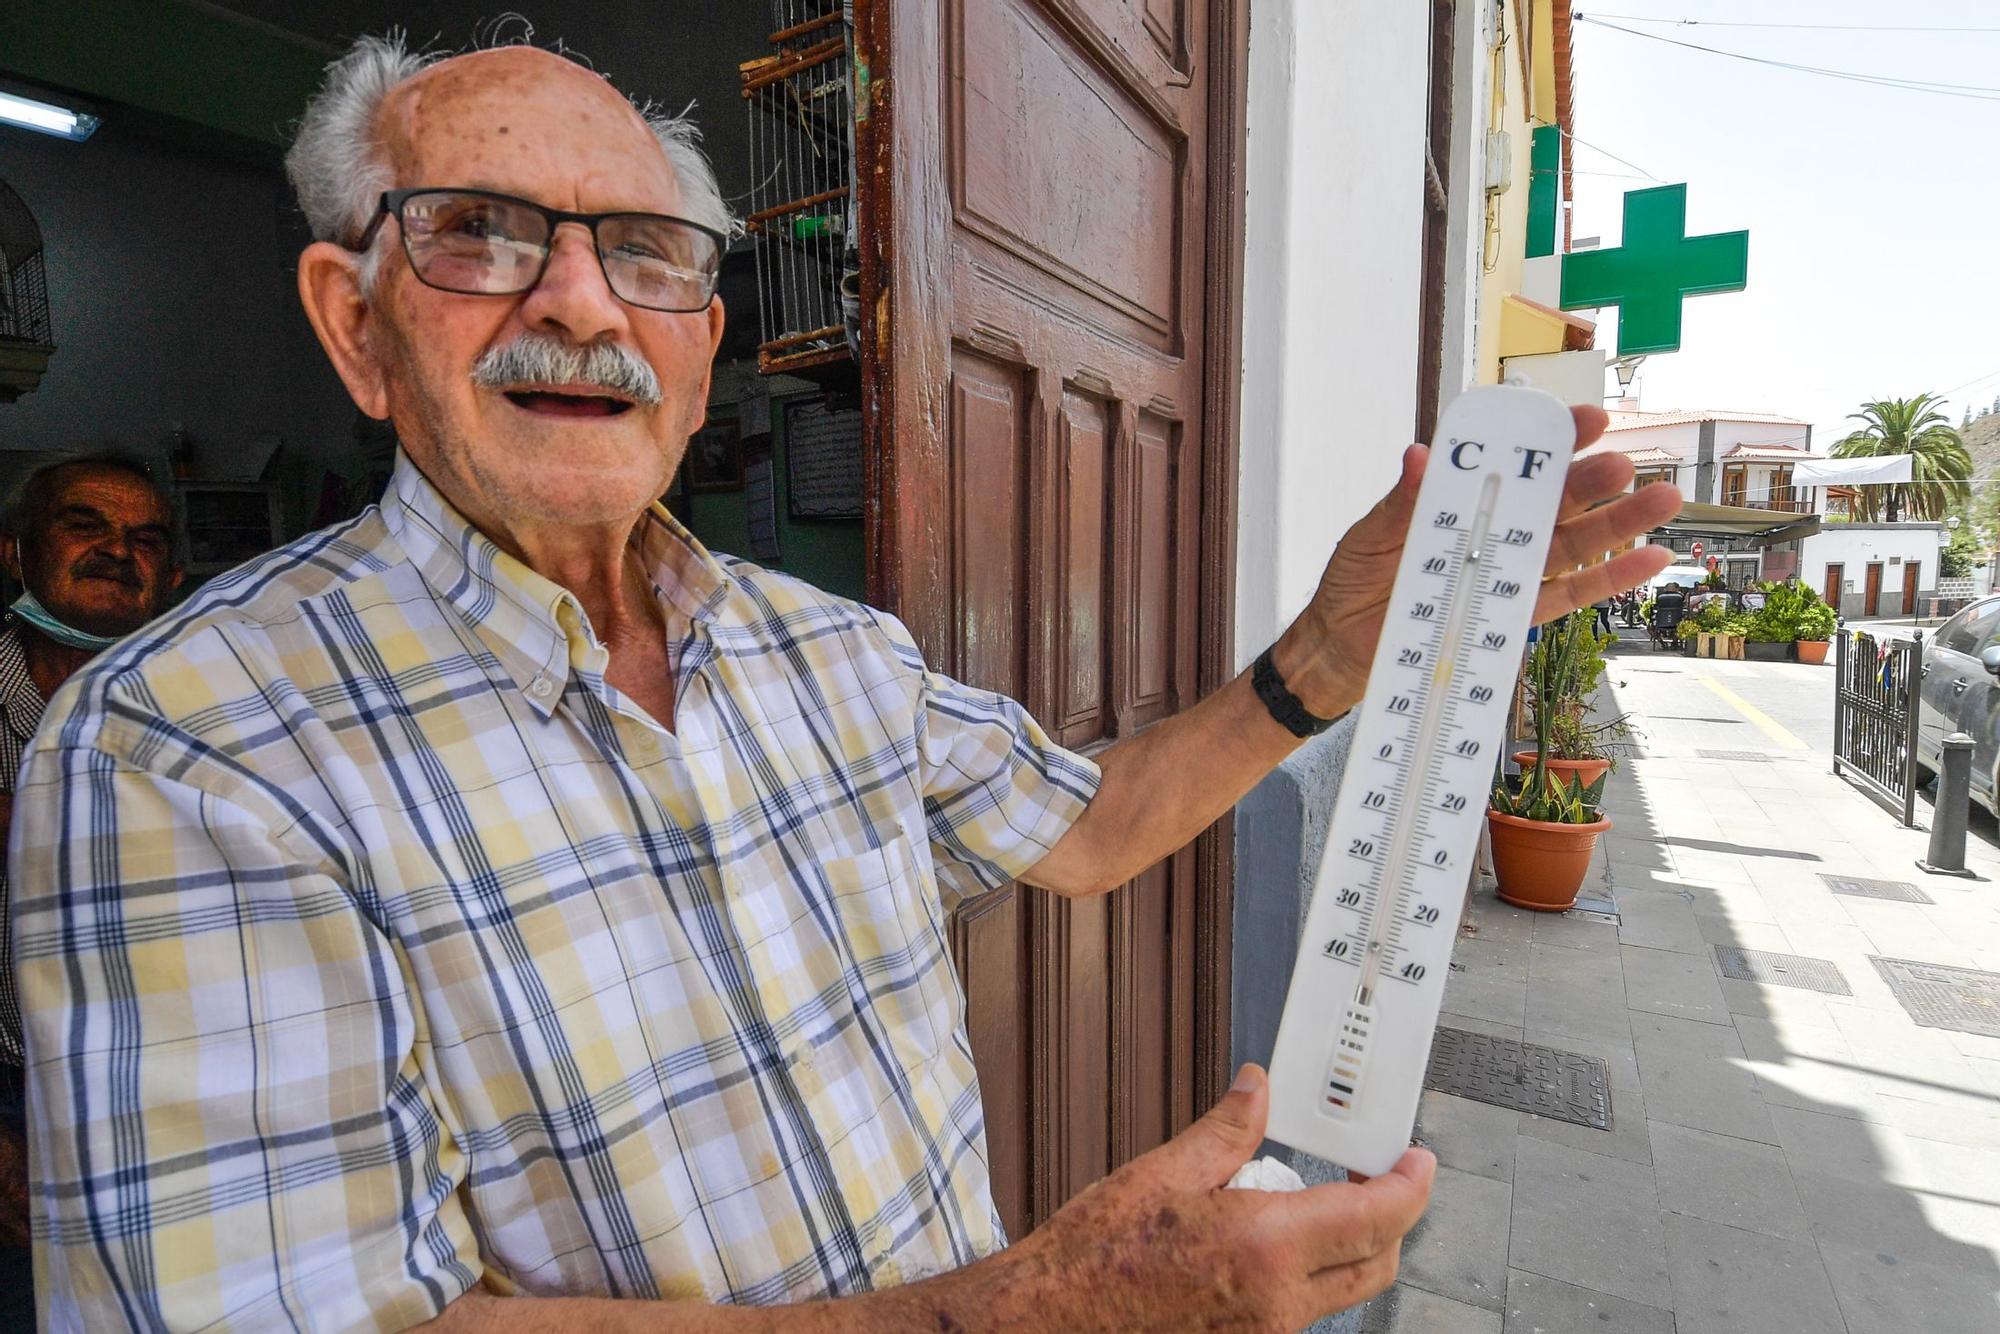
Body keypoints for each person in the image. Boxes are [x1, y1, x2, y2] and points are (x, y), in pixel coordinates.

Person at [11, 36, 1681, 1331]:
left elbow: (1090, 825)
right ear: (357, 326)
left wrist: (1327, 648)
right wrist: (1034, 1306)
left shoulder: (829, 653)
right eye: (483, 238)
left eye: (646, 253)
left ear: (701, 344)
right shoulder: (190, 751)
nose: (580, 300)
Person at [0, 454, 183, 1329]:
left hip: (168, 1101)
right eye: (87, 526)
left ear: (172, 578)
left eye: (146, 540)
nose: (119, 552)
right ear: (16, 554)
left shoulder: (207, 712)